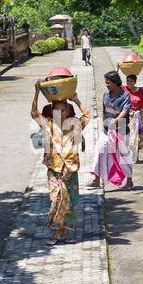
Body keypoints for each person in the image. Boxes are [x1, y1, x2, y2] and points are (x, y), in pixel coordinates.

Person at [31, 82, 91, 246]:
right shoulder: (48, 125)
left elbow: (87, 116)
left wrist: (77, 100)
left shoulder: (74, 125)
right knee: (56, 198)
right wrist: (36, 92)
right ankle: (55, 230)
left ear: (68, 111)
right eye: (56, 110)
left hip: (71, 169)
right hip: (55, 168)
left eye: (63, 110)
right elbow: (34, 113)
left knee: (71, 201)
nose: (60, 113)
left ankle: (65, 233)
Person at [87, 71, 134, 191]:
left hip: (122, 129)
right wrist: (104, 124)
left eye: (108, 83)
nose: (106, 85)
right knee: (99, 150)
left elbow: (125, 110)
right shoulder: (105, 95)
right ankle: (97, 180)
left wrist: (117, 120)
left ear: (116, 83)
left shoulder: (125, 95)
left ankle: (129, 181)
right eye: (106, 83)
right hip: (107, 130)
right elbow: (103, 111)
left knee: (124, 156)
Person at [117, 67, 143, 163]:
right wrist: (117, 69)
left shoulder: (140, 91)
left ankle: (136, 157)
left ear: (135, 82)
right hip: (129, 117)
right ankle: (129, 156)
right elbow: (115, 82)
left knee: (139, 137)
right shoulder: (124, 89)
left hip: (140, 117)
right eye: (127, 81)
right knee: (131, 137)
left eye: (131, 81)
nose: (129, 83)